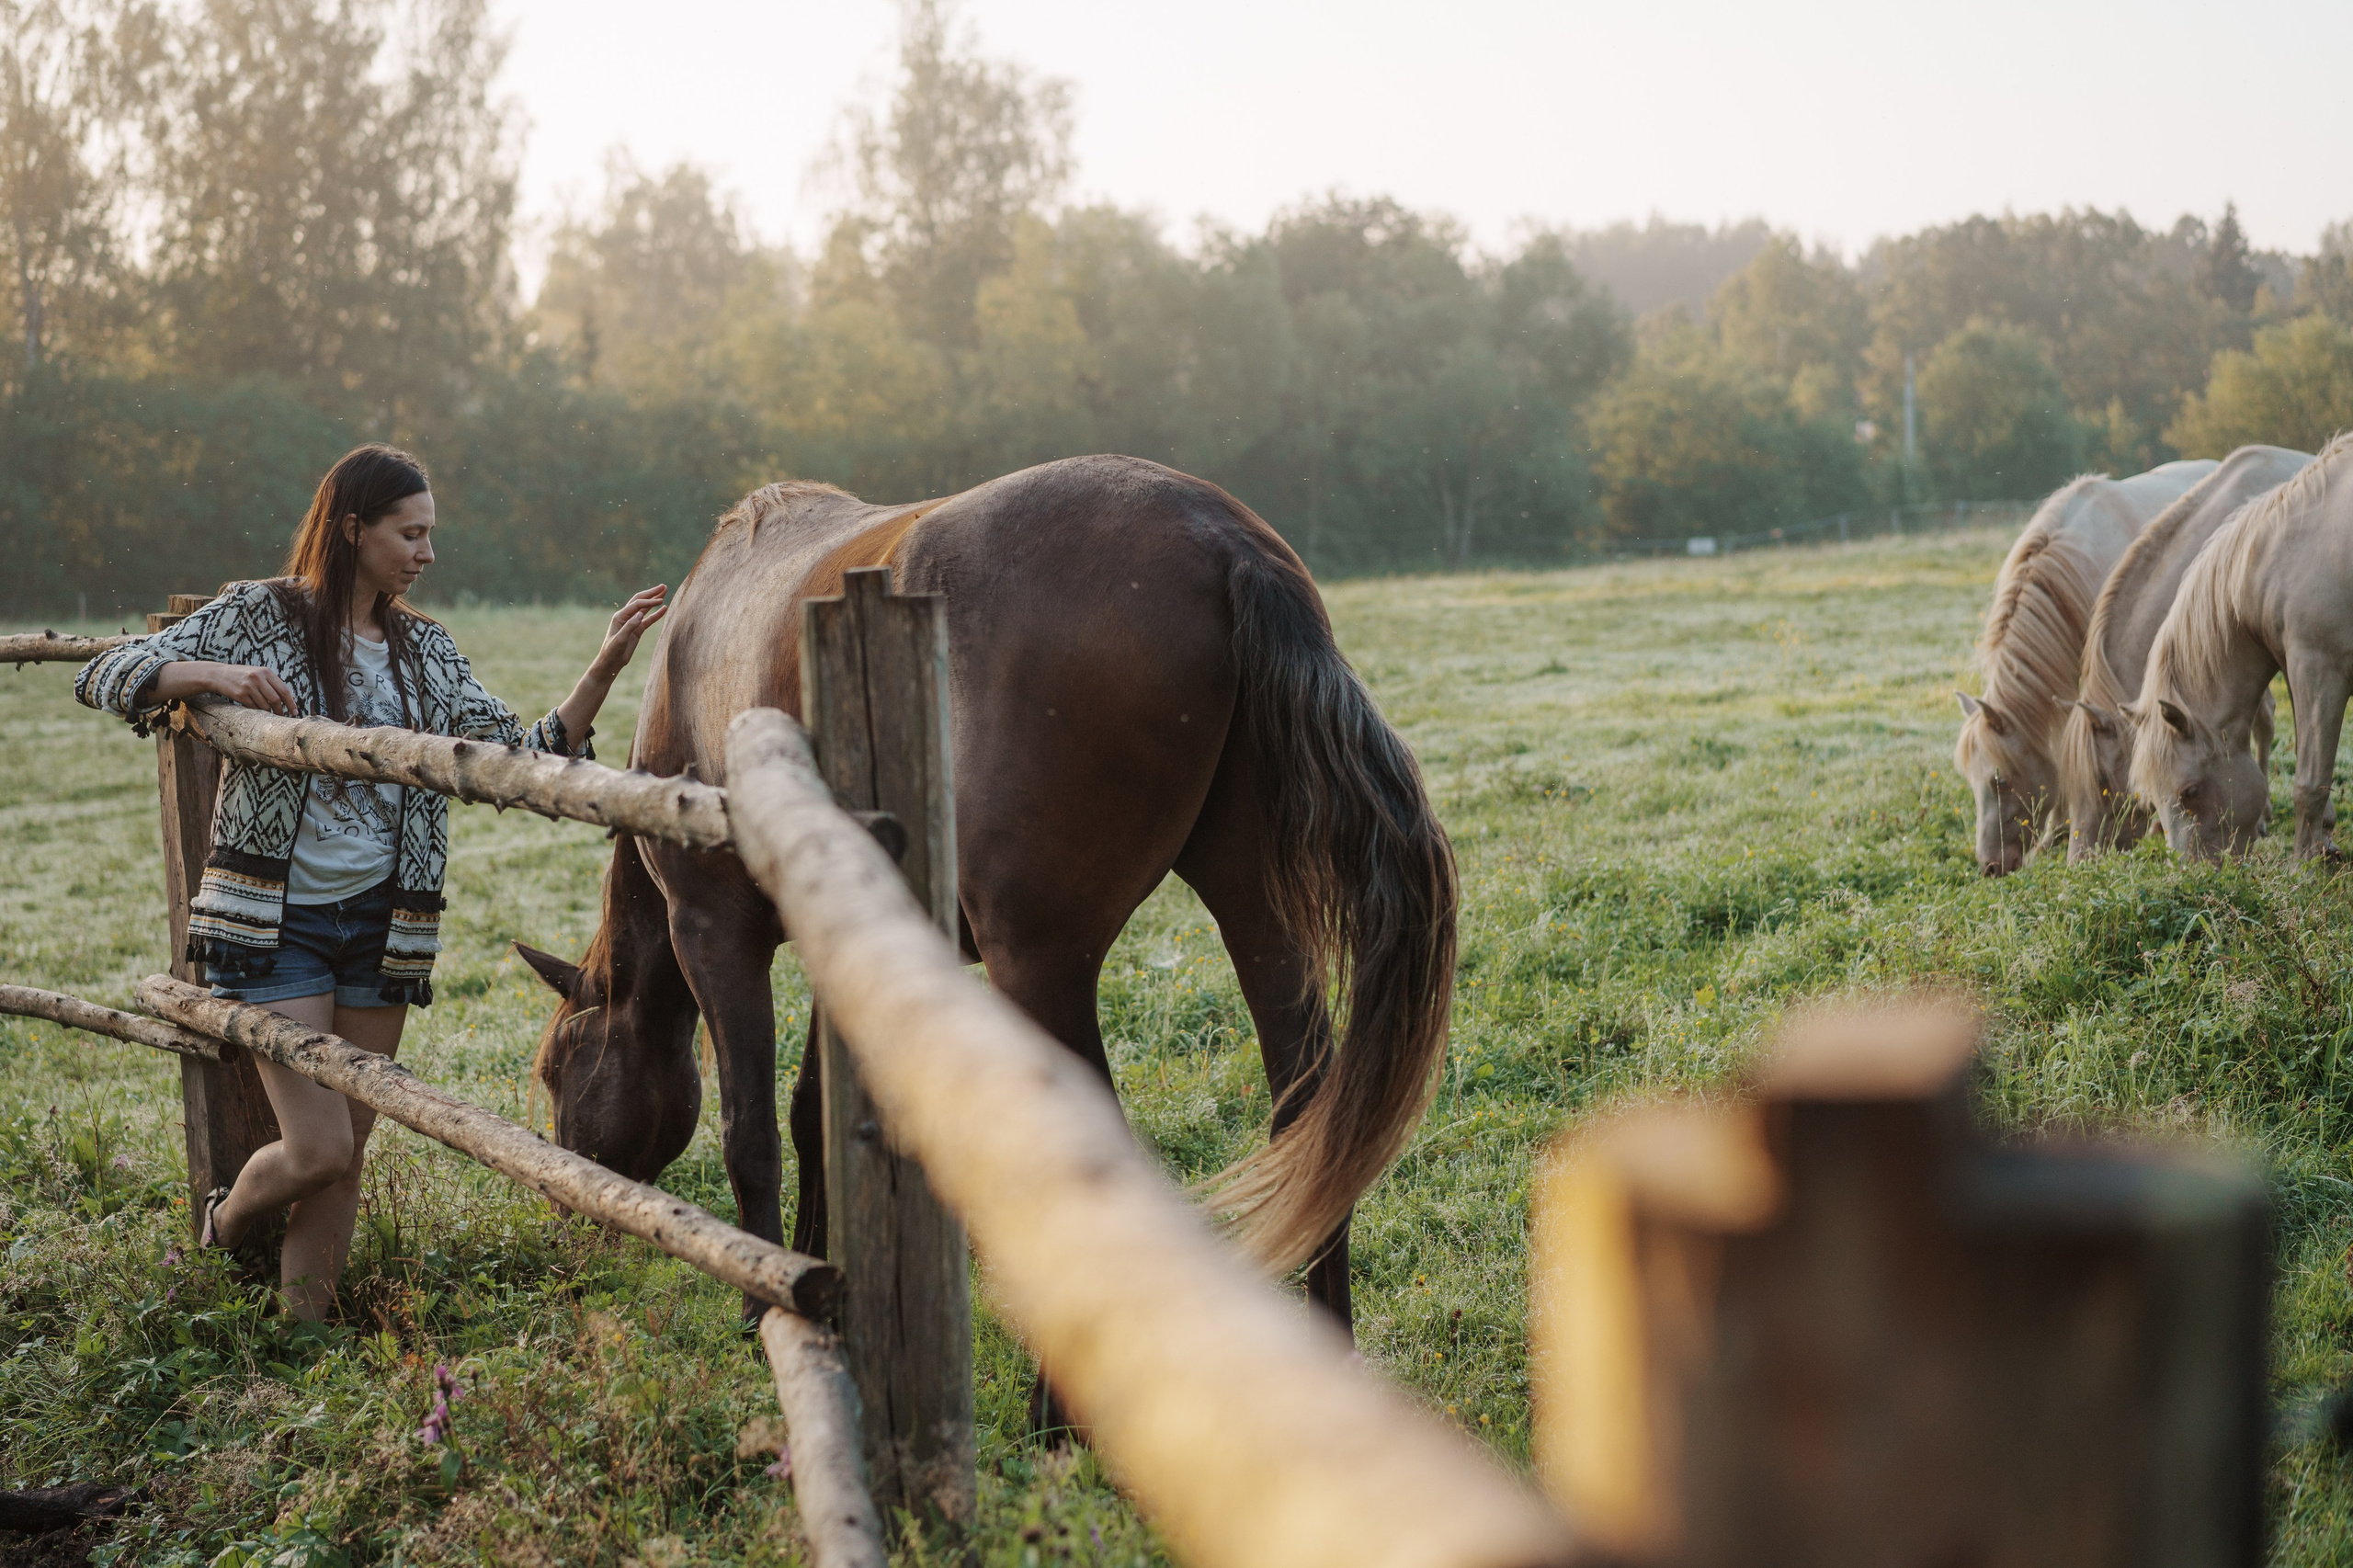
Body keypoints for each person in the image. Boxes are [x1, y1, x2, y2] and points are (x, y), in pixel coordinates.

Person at [76, 444, 667, 1319]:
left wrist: (608, 664)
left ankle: (301, 1344)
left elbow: (521, 755)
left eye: (431, 534)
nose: (427, 553)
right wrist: (210, 676)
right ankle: (227, 1221)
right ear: (353, 528)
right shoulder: (260, 615)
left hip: (385, 926)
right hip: (272, 922)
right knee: (314, 1148)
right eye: (411, 532)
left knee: (347, 1151)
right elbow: (109, 673)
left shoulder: (425, 649)